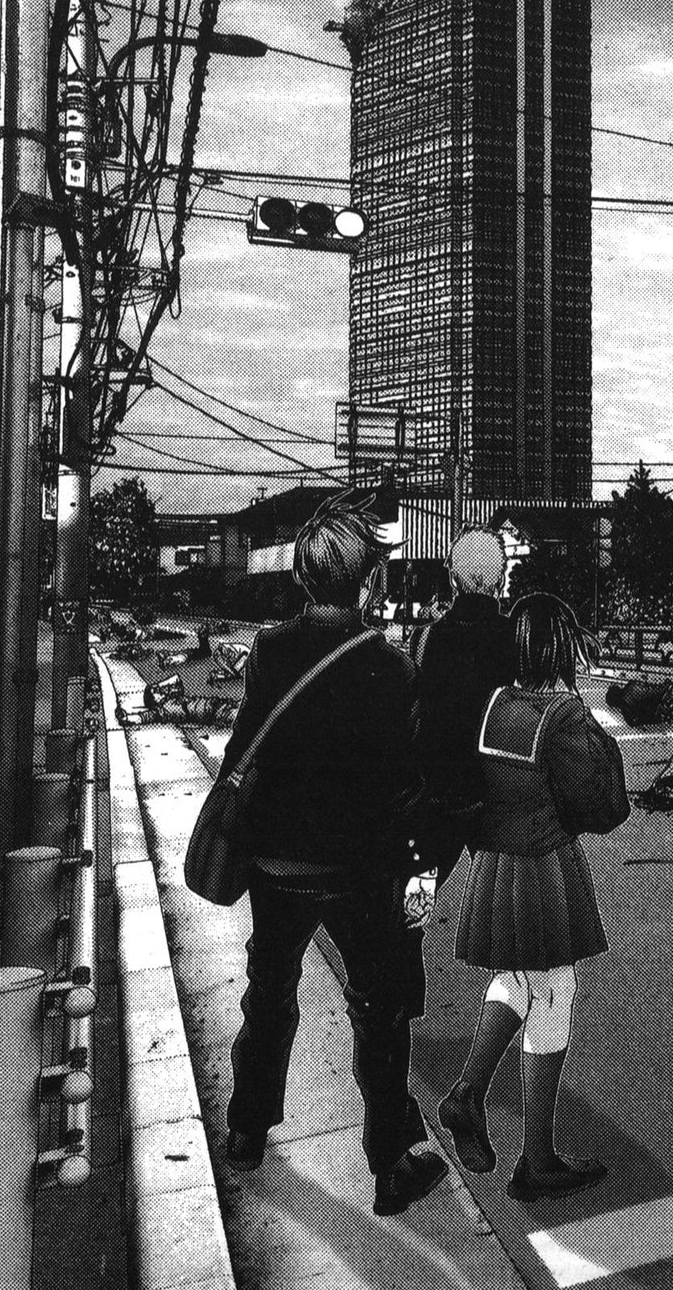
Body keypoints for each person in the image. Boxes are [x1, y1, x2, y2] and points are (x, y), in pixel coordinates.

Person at [219, 492, 447, 1216]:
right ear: (368, 581)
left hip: (277, 863)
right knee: (378, 1010)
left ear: (302, 578)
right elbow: (407, 781)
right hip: (358, 869)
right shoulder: (390, 666)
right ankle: (390, 1164)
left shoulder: (270, 651)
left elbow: (246, 748)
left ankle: (247, 1128)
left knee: (269, 992)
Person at [438, 593, 630, 1202]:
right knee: (553, 991)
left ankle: (468, 1095)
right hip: (543, 867)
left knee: (516, 981)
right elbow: (603, 807)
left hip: (496, 865)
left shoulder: (497, 705)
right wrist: (592, 730)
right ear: (563, 650)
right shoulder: (565, 717)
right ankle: (537, 1158)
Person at [412, 528, 514, 848]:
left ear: (453, 578)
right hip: (497, 792)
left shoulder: (424, 638)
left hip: (439, 790)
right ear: (500, 579)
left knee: (424, 875)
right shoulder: (515, 636)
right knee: (497, 878)